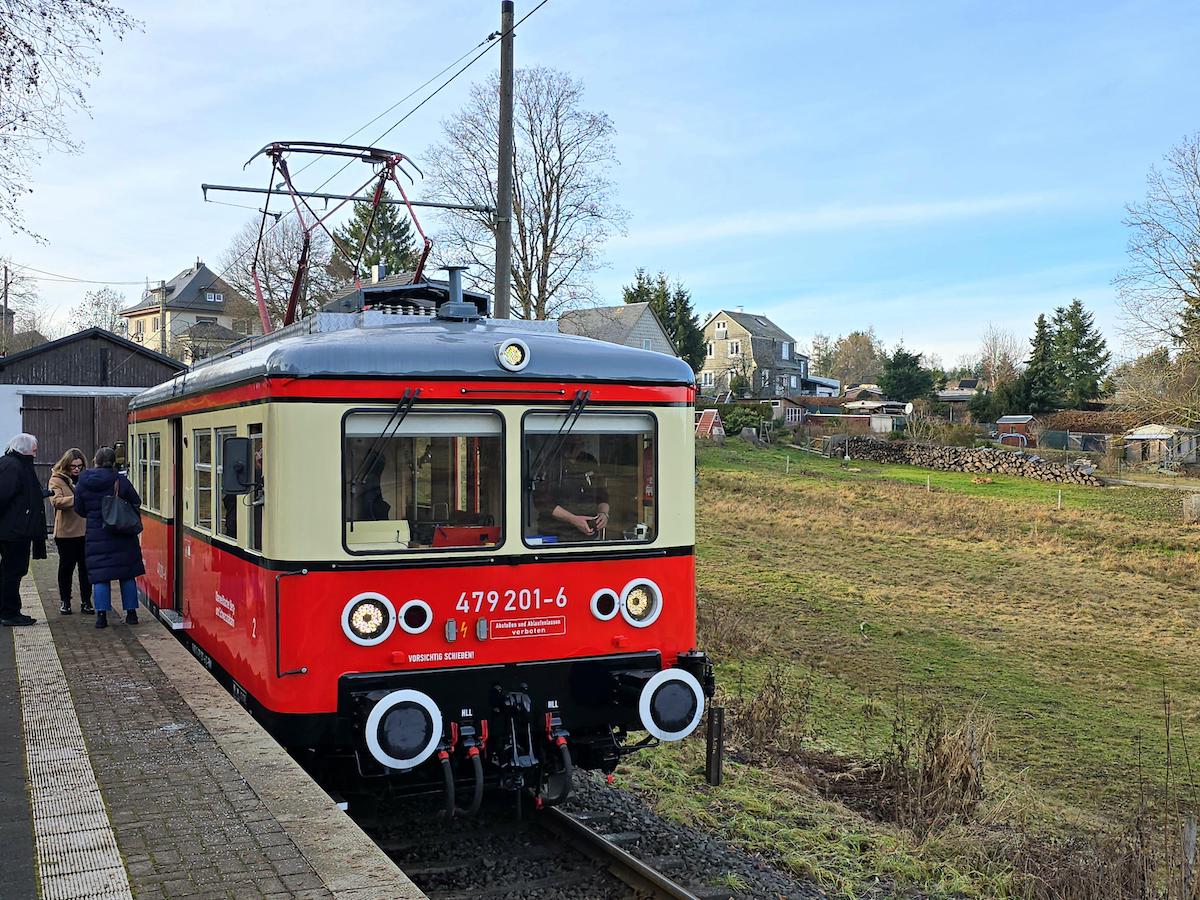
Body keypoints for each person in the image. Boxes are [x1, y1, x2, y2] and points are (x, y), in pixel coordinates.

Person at [74, 446, 145, 629]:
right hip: (122, 533)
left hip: (97, 534)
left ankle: (101, 617)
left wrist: (94, 514)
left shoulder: (83, 480)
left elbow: (79, 508)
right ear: (114, 462)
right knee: (127, 574)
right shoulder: (120, 480)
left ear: (95, 461)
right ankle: (131, 614)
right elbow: (136, 501)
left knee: (100, 577)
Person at [0, 433, 48, 626]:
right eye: (34, 451)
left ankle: (8, 610)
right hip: (14, 531)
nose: (36, 455)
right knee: (13, 571)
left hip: (14, 529)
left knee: (9, 571)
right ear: (25, 450)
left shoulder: (11, 464)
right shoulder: (14, 467)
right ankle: (10, 612)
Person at [533, 434, 610, 541]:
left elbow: (602, 494)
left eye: (580, 443)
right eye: (573, 443)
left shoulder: (589, 460)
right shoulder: (550, 462)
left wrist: (604, 513)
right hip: (556, 534)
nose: (576, 446)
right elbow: (542, 502)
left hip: (588, 533)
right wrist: (573, 519)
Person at [48, 448, 93, 615]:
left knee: (86, 569)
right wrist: (78, 499)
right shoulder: (56, 480)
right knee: (66, 568)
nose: (76, 469)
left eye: (80, 466)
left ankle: (86, 601)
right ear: (66, 465)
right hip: (66, 532)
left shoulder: (85, 478)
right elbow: (57, 501)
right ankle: (65, 601)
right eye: (73, 466)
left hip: (85, 530)